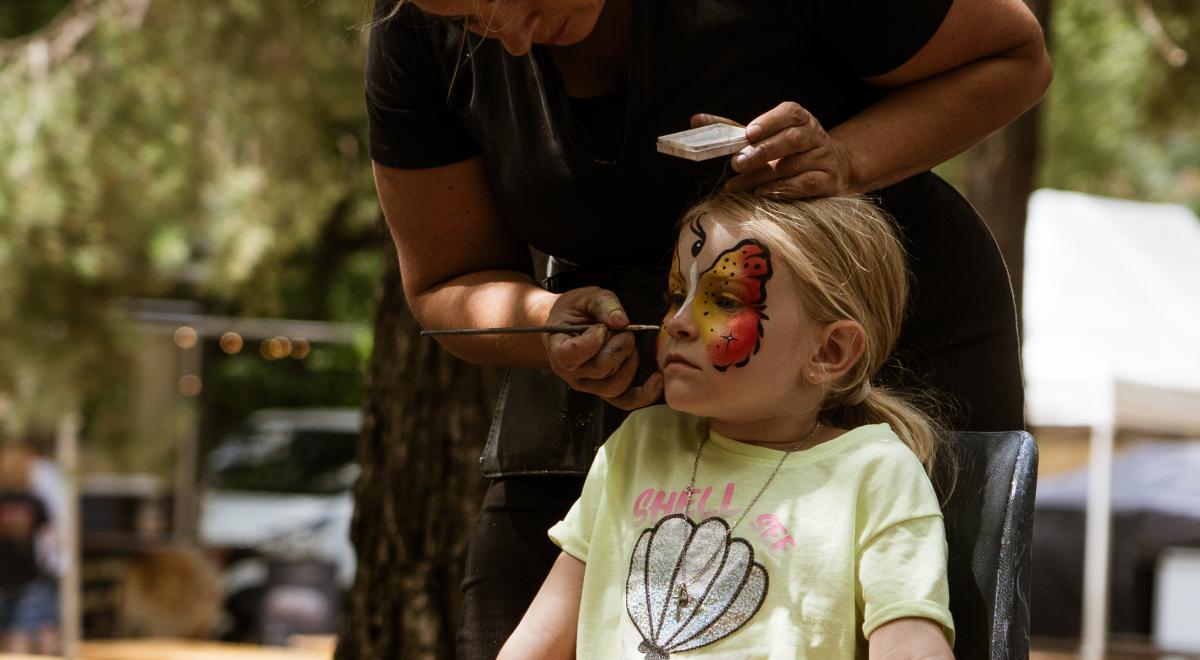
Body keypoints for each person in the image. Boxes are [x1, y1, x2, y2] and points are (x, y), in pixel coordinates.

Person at [363, 0, 1051, 655]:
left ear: (835, 350)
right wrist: (545, 324)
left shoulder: (879, 475)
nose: (510, 38)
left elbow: (1012, 55)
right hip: (610, 399)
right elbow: (447, 277)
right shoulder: (632, 455)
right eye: (466, 19)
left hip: (887, 318)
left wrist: (847, 158)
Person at [499, 192, 953, 658]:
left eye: (723, 301)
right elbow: (535, 643)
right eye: (677, 295)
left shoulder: (875, 471)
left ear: (829, 352)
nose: (677, 321)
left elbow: (912, 647)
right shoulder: (638, 445)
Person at [0, 442, 61, 655]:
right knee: (21, 632)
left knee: (6, 634)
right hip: (27, 576)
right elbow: (52, 539)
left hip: (2, 575)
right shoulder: (35, 502)